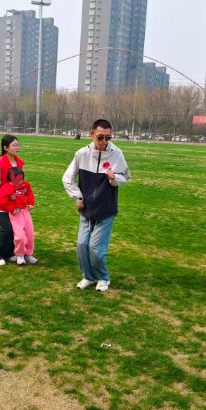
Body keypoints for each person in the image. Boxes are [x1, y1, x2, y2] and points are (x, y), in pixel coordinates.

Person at [62, 119, 131, 292]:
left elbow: (125, 177)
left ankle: (103, 278)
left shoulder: (117, 154)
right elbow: (67, 179)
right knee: (81, 245)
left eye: (108, 137)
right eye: (100, 137)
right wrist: (78, 198)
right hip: (86, 210)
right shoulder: (81, 154)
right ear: (92, 134)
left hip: (106, 210)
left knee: (95, 248)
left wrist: (114, 177)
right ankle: (88, 276)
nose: (104, 141)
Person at [0, 134, 23, 266]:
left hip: (12, 202)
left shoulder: (18, 163)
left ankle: (9, 252)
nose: (17, 147)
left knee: (15, 227)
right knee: (7, 228)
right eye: (14, 145)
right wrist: (5, 197)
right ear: (5, 148)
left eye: (18, 145)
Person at [0, 167, 37, 266]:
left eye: (21, 179)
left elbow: (29, 192)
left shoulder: (25, 185)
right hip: (15, 214)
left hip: (25, 212)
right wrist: (11, 209)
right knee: (20, 236)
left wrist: (30, 203)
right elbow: (1, 201)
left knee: (29, 234)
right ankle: (20, 255)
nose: (19, 182)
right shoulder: (6, 188)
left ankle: (28, 254)